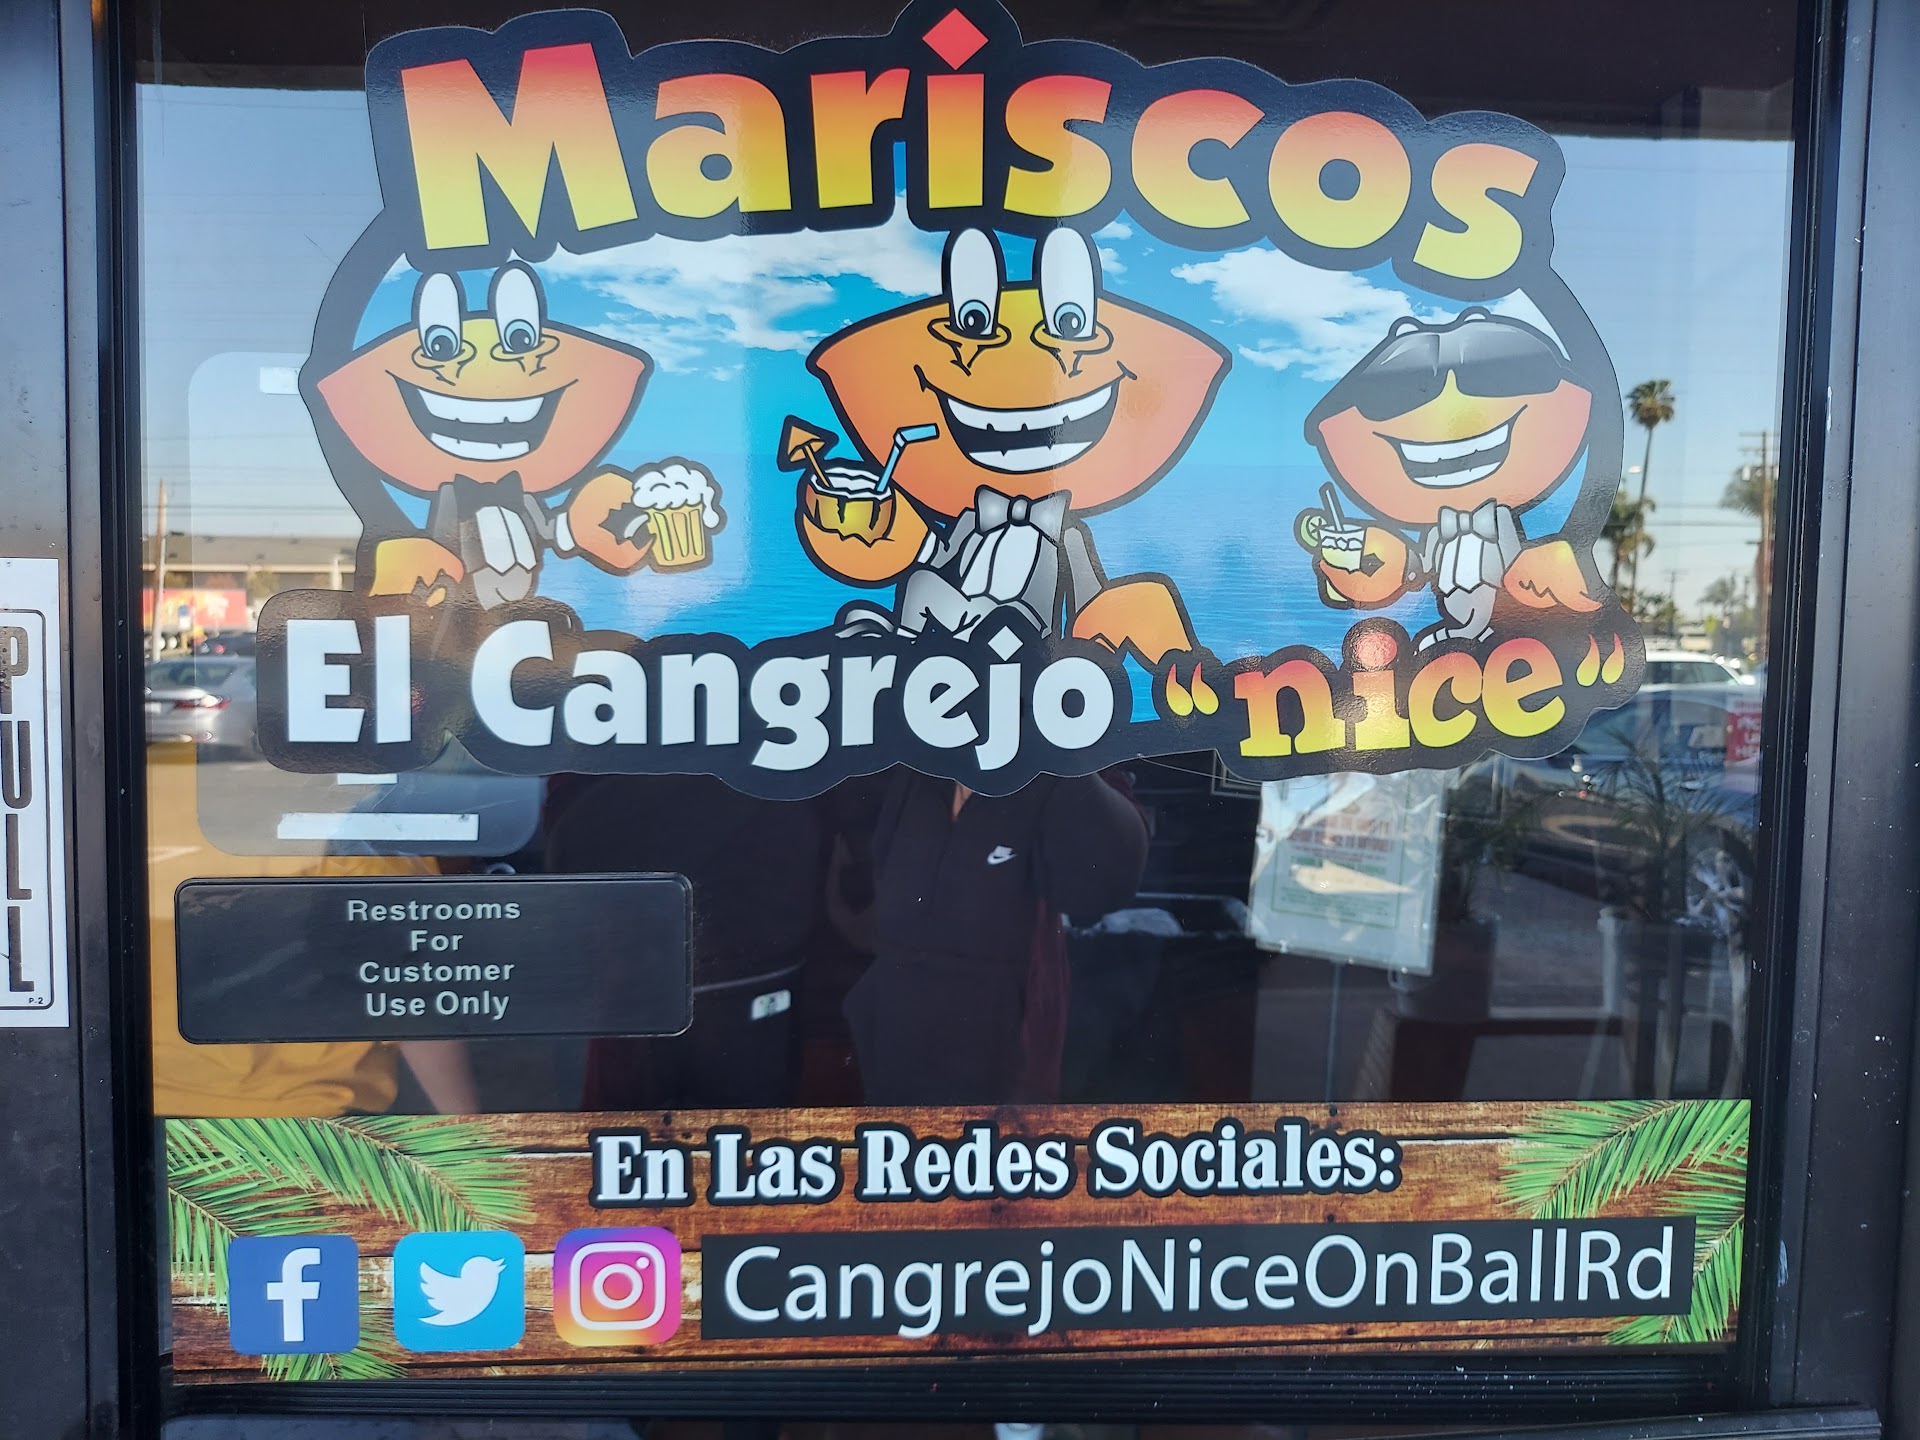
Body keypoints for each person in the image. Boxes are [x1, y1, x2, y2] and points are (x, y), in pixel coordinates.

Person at [846, 769, 1149, 1105]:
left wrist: (1055, 755)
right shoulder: (915, 762)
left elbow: (1105, 885)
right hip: (893, 1037)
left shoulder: (1063, 760)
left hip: (1005, 1056)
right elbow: (865, 863)